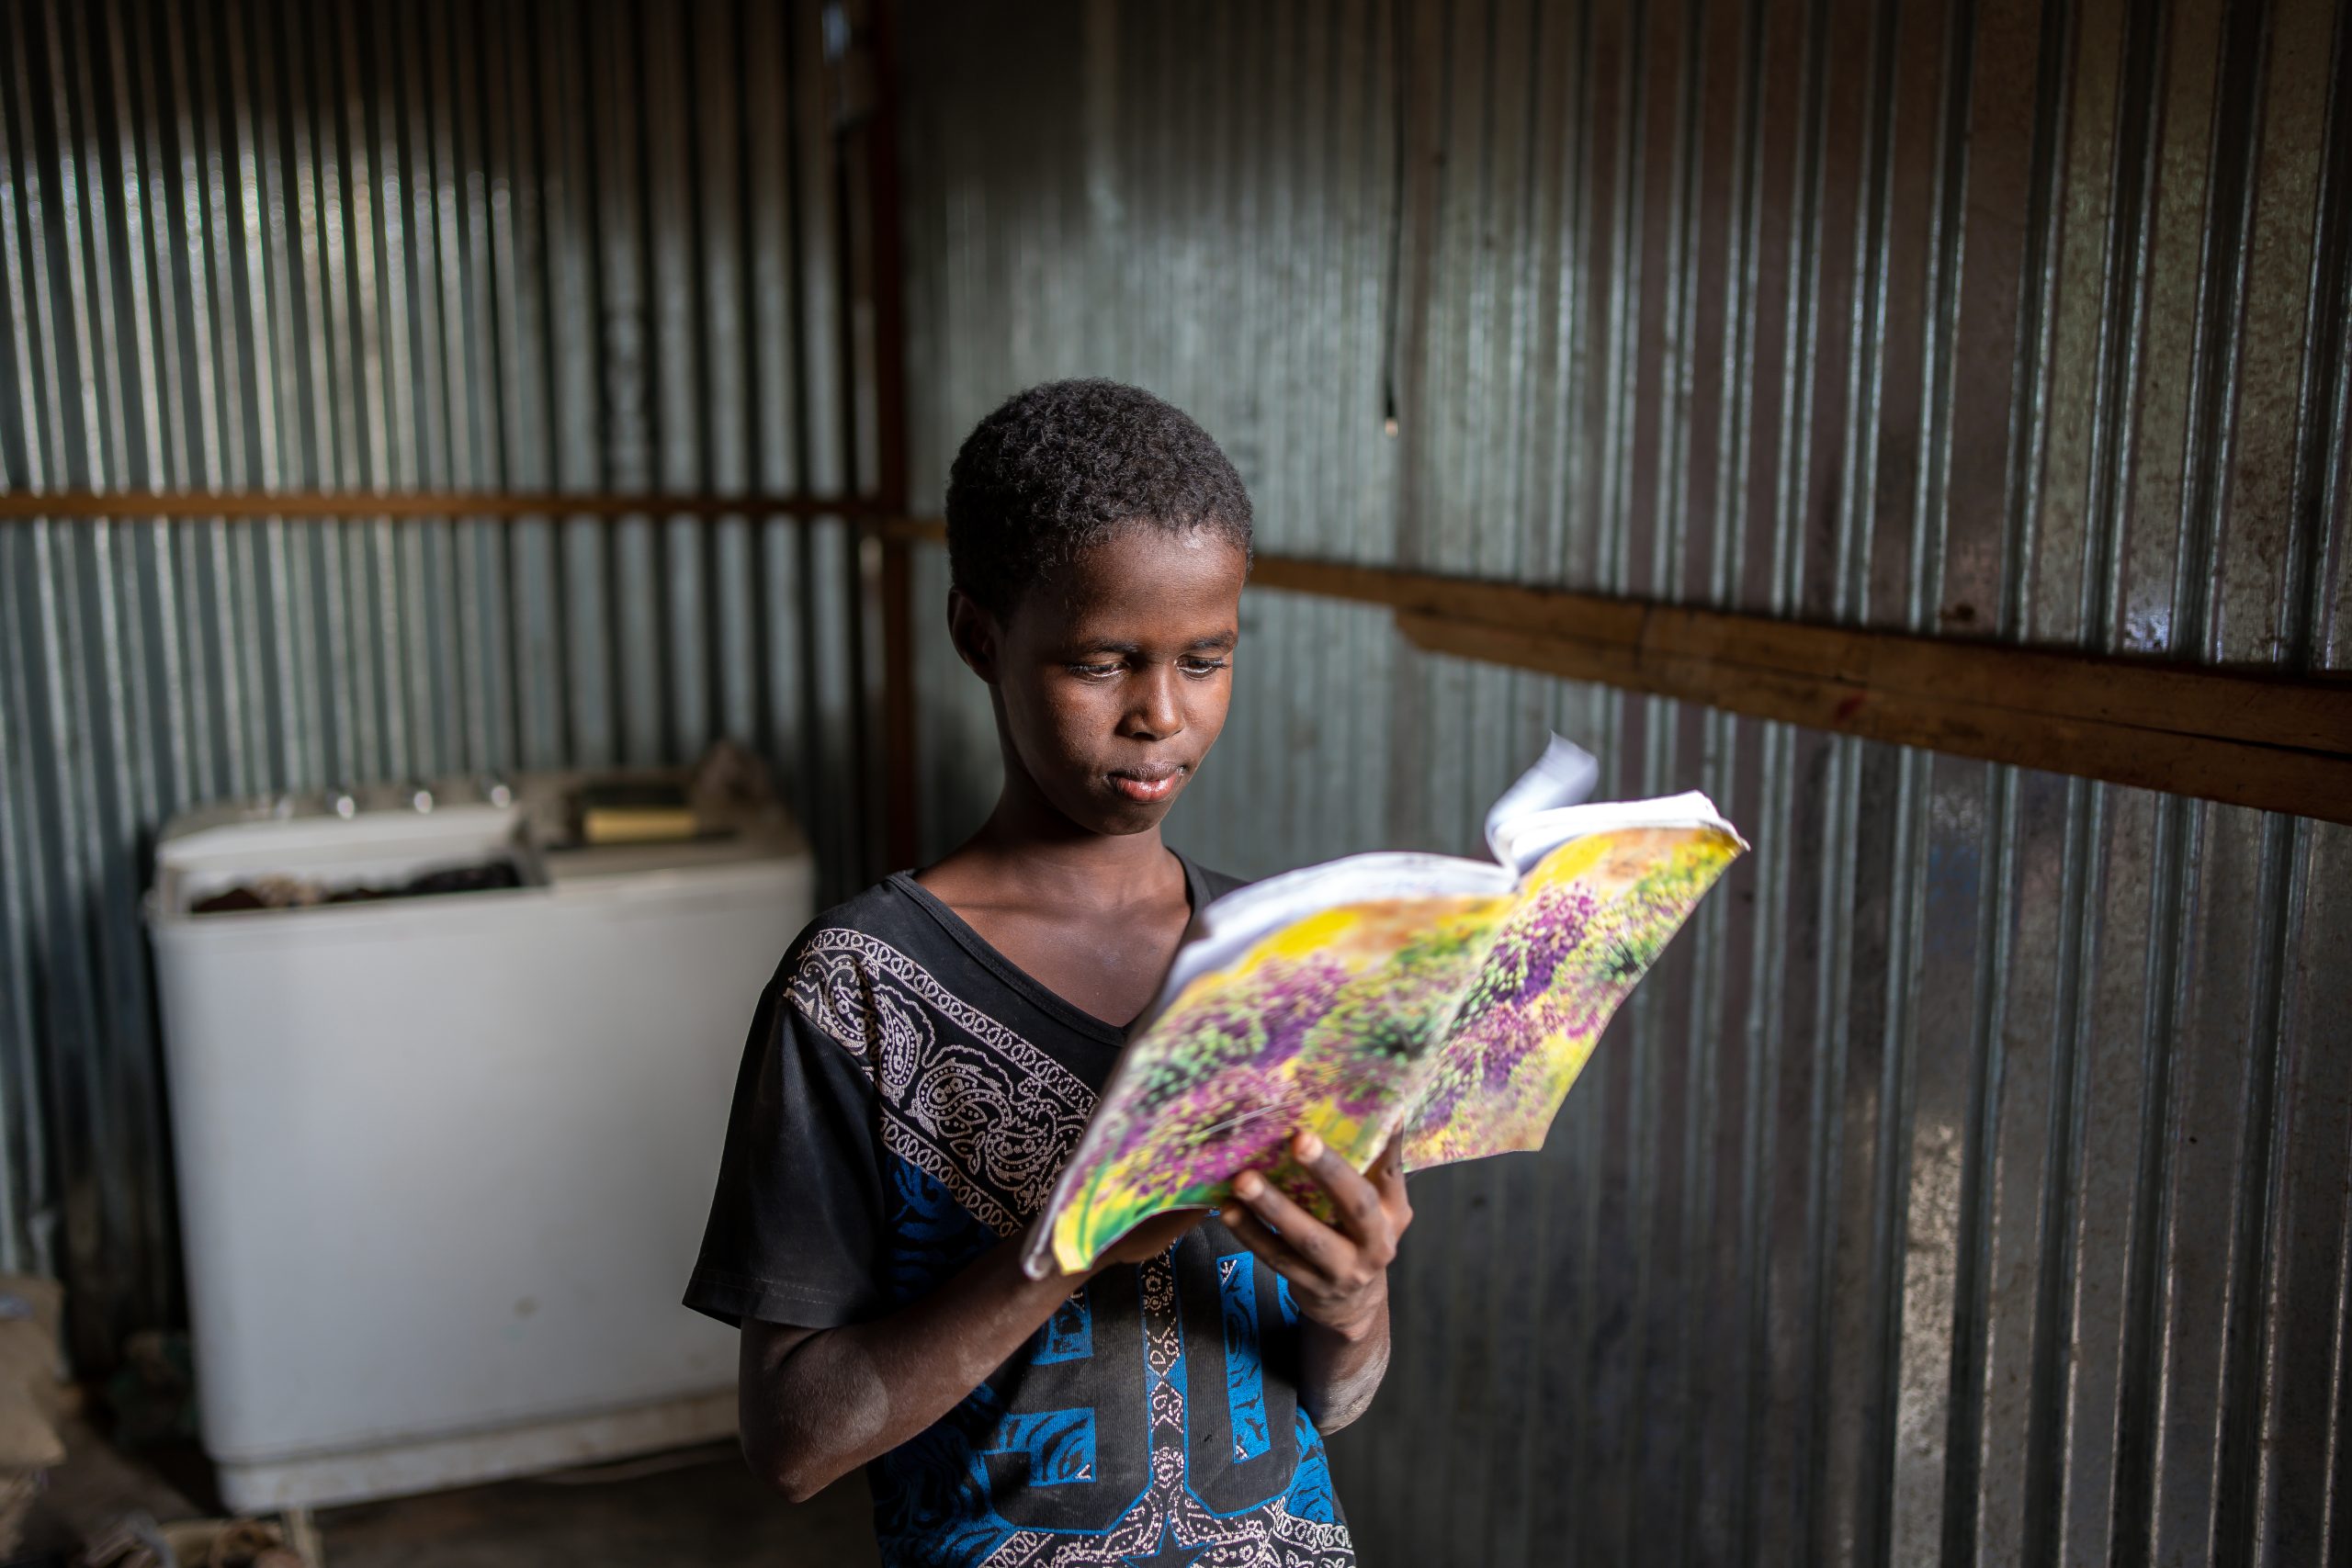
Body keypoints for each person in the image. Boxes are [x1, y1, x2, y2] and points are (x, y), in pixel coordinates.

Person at [684, 379, 1410, 1566]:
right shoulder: (859, 991)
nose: (1160, 716)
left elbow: (1333, 1400)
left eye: (1206, 658)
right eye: (1103, 662)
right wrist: (1063, 1245)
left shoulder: (1287, 967)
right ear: (981, 635)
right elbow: (795, 1442)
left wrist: (1353, 1300)